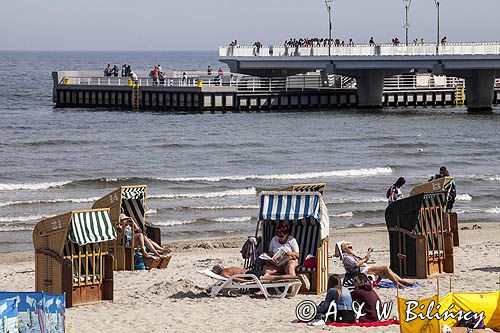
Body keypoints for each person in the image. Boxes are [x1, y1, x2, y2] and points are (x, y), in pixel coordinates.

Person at [340, 241, 415, 287]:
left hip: (364, 269)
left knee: (386, 269)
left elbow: (361, 261)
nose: (351, 248)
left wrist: (367, 257)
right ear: (345, 249)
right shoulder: (346, 256)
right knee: (385, 268)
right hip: (360, 272)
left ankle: (401, 281)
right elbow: (356, 264)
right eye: (349, 247)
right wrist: (365, 259)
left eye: (351, 247)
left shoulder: (352, 255)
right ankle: (399, 283)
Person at [211, 265, 297, 283]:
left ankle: (295, 277)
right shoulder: (228, 268)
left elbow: (234, 278)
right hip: (252, 271)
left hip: (250, 275)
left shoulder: (223, 273)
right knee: (275, 277)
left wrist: (245, 281)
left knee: (275, 278)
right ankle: (294, 277)